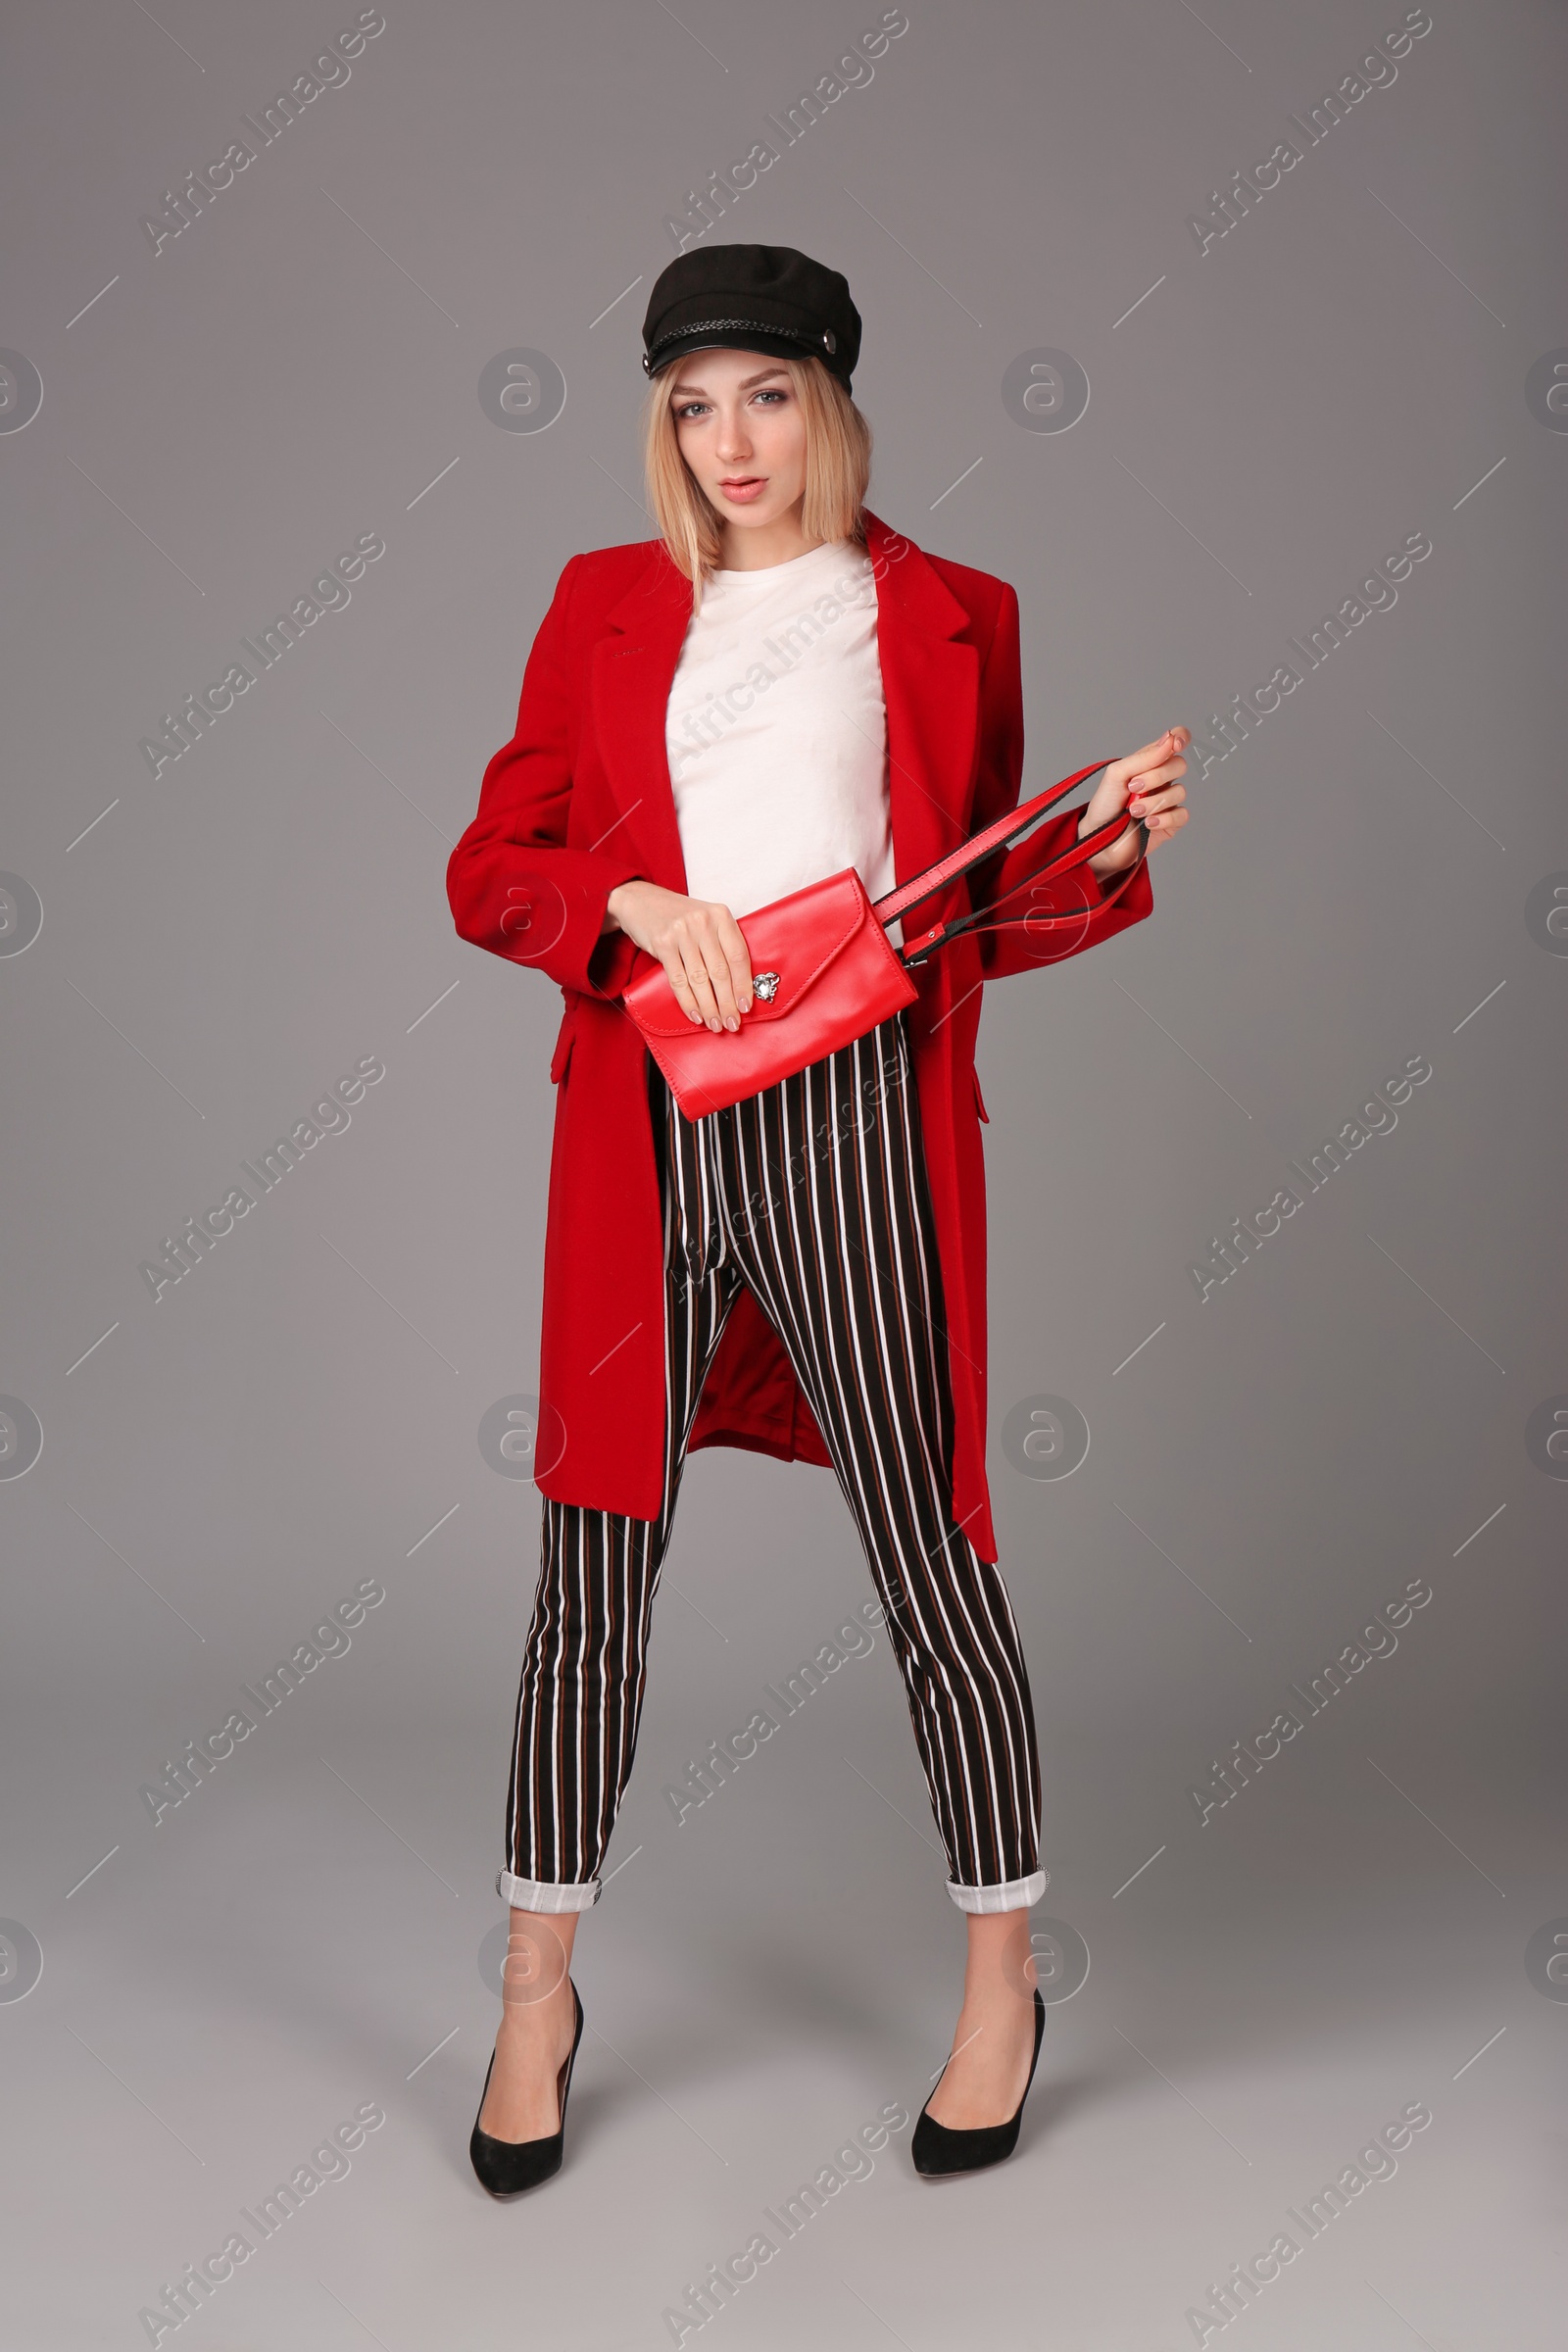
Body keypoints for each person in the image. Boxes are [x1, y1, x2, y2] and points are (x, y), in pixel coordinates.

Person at [445, 243, 1191, 2194]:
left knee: (930, 1548)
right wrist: (619, 911)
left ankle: (1000, 1981)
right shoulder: (604, 607)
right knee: (589, 1559)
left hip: (858, 1115)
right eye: (689, 405)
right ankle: (535, 1990)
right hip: (643, 1116)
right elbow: (491, 861)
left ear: (833, 400)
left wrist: (1100, 849)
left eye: (764, 395)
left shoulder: (947, 615)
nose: (728, 443)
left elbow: (962, 918)